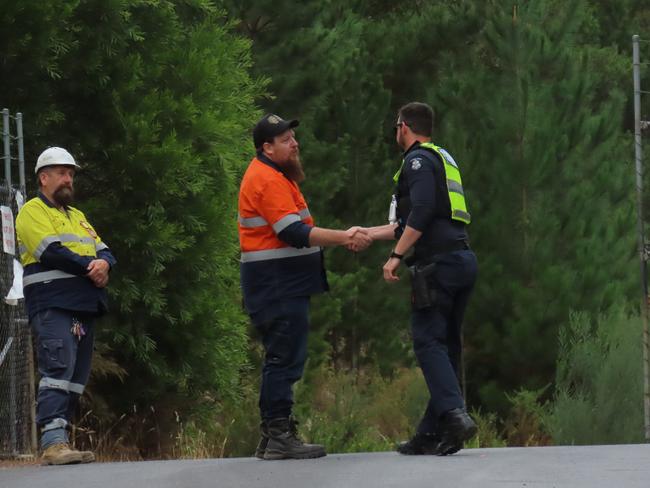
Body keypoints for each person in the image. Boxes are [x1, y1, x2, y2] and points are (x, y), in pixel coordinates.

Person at [239, 113, 371, 460]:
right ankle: (279, 433)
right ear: (266, 147)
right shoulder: (267, 179)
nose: (295, 143)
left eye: (293, 136)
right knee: (284, 358)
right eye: (285, 140)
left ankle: (273, 435)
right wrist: (344, 237)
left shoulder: (278, 176)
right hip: (277, 285)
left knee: (284, 356)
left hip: (282, 284)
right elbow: (293, 233)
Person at [363, 102, 477, 455]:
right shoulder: (441, 157)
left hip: (438, 265)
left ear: (403, 127)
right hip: (461, 259)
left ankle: (455, 416)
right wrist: (365, 233)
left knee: (428, 343)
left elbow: (423, 212)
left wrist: (396, 257)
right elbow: (406, 223)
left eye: (395, 126)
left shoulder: (416, 161)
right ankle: (432, 433)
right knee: (446, 347)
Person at [16, 147, 116, 465]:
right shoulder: (32, 211)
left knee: (75, 377)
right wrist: (92, 267)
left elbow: (106, 251)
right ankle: (53, 441)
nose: (68, 179)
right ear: (43, 178)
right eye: (61, 173)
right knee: (58, 369)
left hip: (82, 304)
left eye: (71, 173)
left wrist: (105, 265)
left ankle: (61, 440)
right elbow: (52, 252)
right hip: (53, 302)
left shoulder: (77, 216)